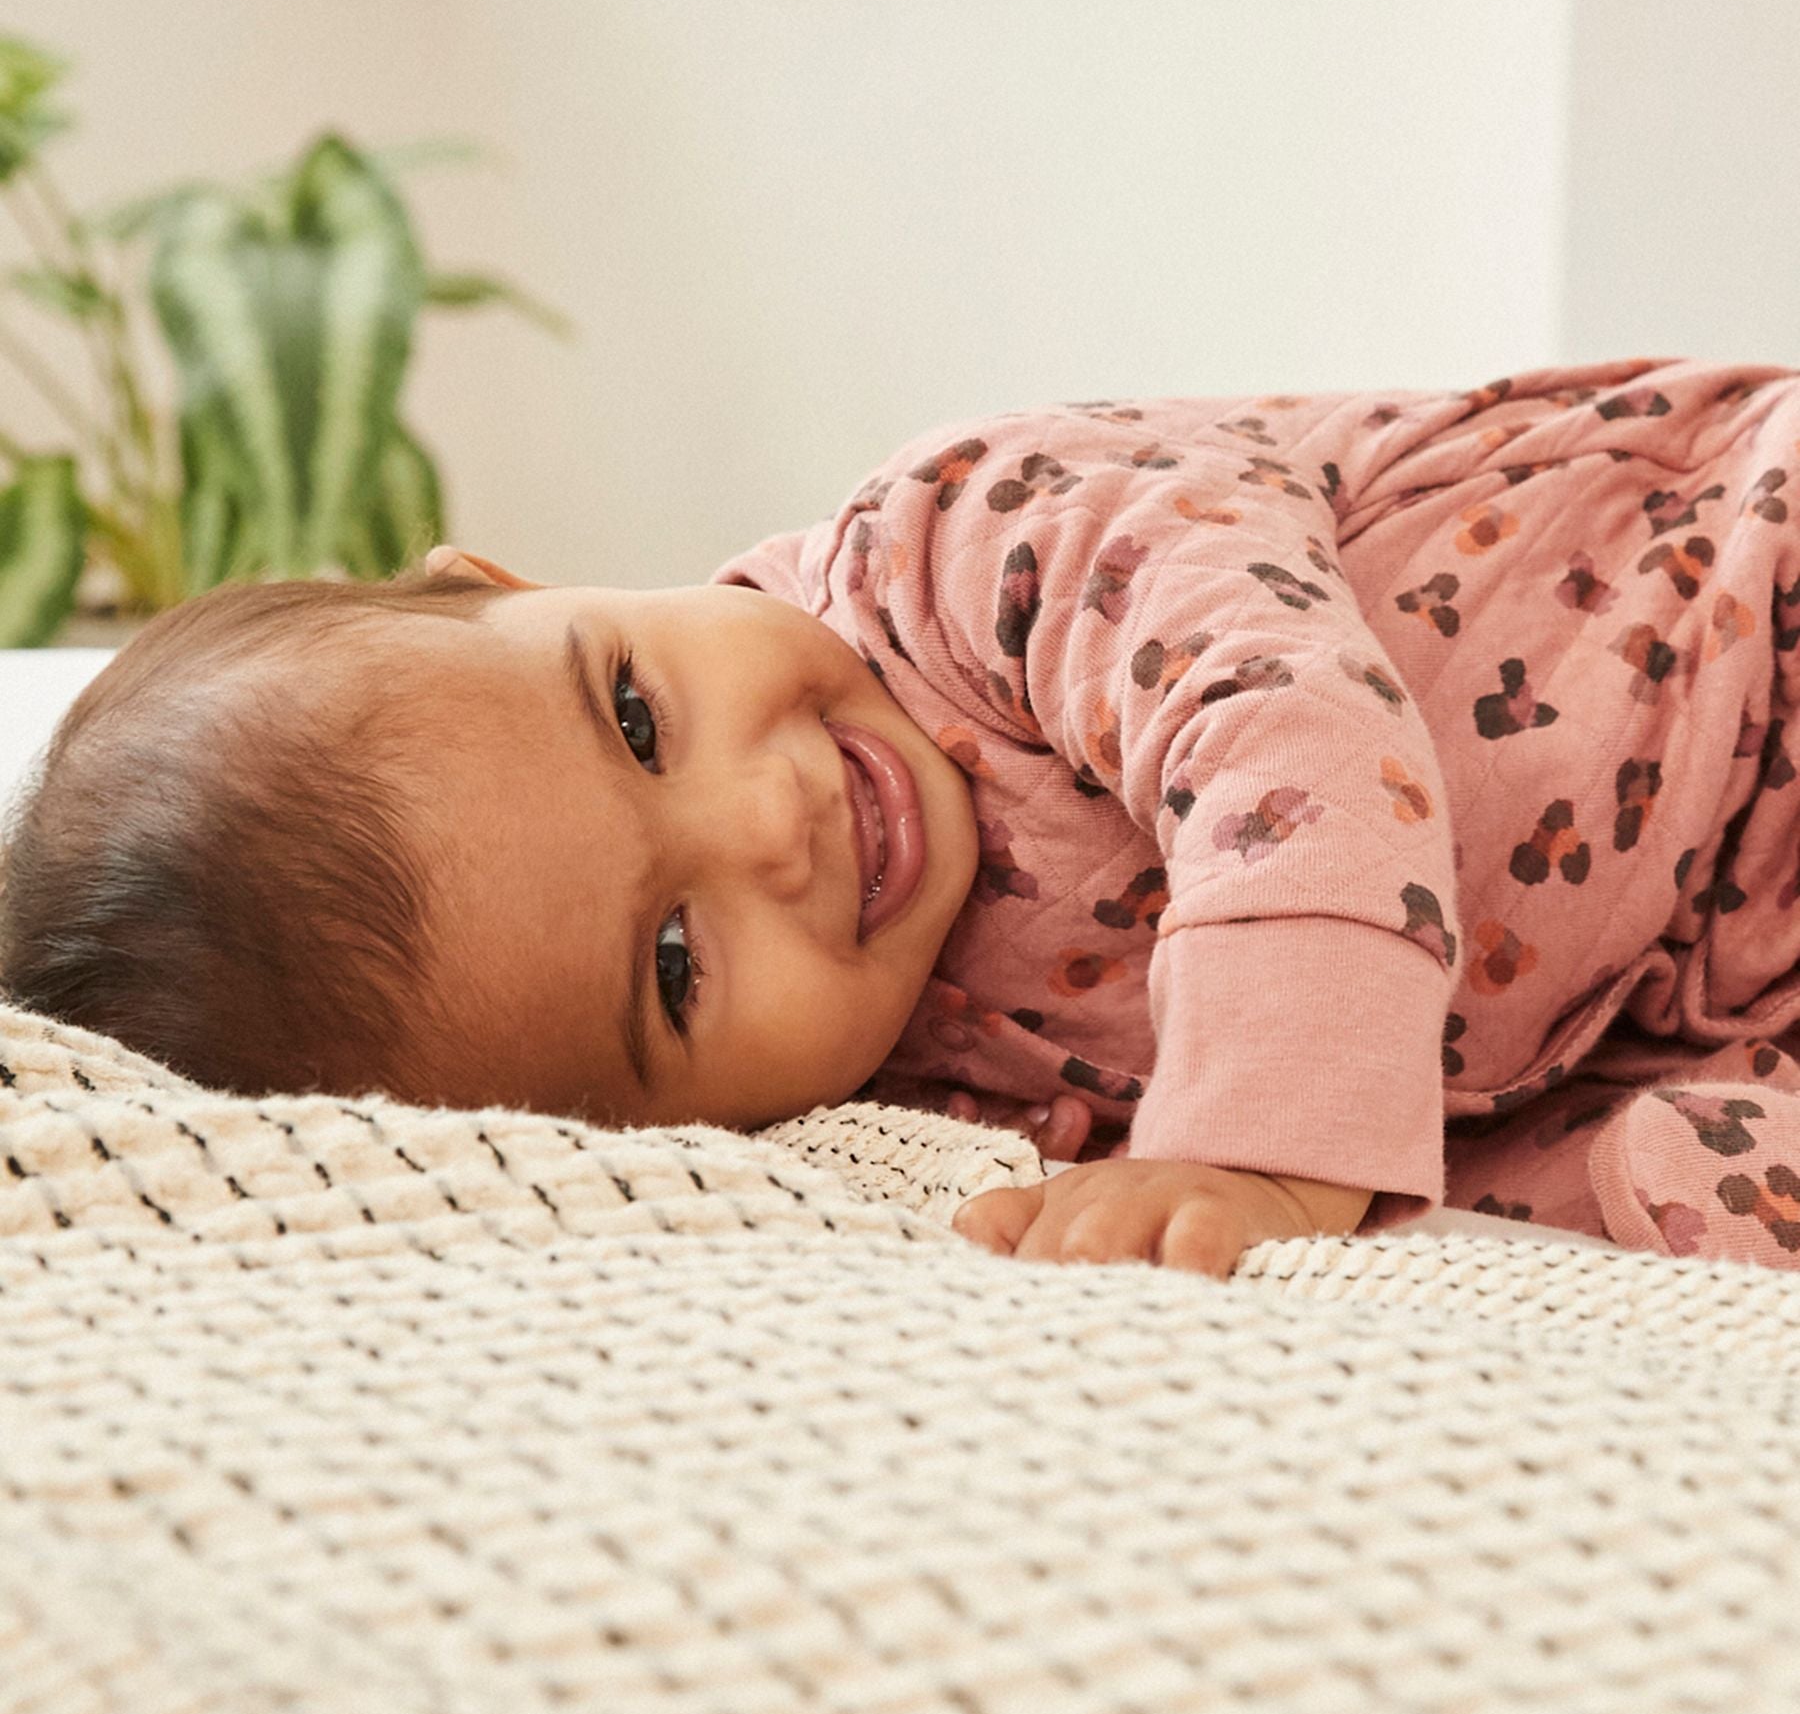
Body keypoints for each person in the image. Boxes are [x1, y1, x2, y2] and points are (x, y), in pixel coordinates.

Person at [8, 357, 1800, 1273]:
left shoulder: (974, 540)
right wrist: (1611, 1178)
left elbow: (1287, 734)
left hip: (1752, 600)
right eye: (677, 963)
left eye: (635, 714)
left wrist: (1253, 1149)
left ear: (500, 579)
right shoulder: (937, 1098)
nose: (768, 823)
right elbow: (1443, 1117)